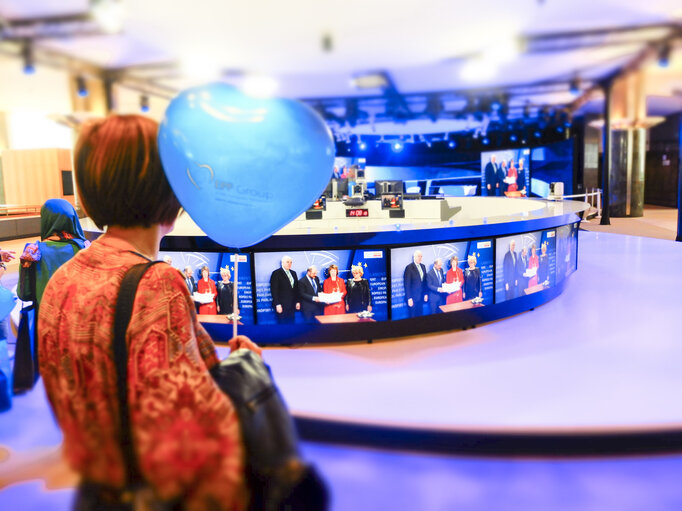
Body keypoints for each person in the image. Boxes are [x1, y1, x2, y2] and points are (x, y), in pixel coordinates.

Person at [38, 114, 260, 509]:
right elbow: (188, 441)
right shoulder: (157, 284)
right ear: (172, 191)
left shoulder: (63, 278)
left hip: (95, 490)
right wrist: (247, 369)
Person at [15, 198, 89, 393]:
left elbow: (24, 294)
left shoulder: (33, 252)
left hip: (47, 332)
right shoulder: (85, 249)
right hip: (81, 331)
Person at [270, 255, 300, 323]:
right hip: (281, 306)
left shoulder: (293, 273)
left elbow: (296, 289)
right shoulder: (276, 273)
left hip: (292, 305)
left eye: (291, 262)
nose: (289, 264)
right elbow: (274, 290)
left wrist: (297, 301)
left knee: (292, 324)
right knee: (282, 326)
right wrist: (277, 304)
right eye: (287, 262)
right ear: (282, 263)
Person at [404, 250, 427, 318]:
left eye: (421, 256)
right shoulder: (409, 267)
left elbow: (425, 282)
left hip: (421, 297)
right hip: (413, 298)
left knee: (420, 315)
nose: (420, 258)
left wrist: (425, 294)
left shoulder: (423, 266)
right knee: (412, 317)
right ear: (414, 257)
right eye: (418, 256)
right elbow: (406, 284)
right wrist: (409, 298)